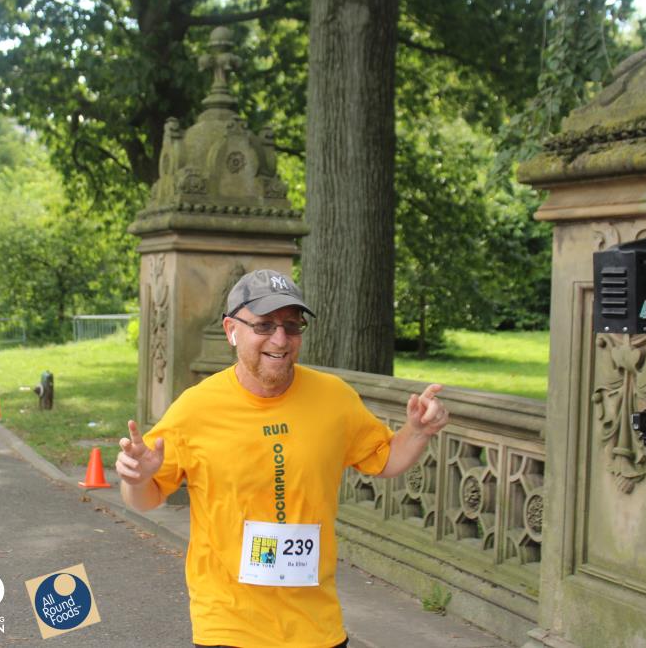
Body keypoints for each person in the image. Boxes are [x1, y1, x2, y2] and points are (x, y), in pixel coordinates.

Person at [117, 269, 449, 648]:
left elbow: (385, 459)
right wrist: (136, 479)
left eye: (292, 326)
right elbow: (144, 500)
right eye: (264, 325)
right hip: (228, 623)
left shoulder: (334, 398)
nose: (280, 339)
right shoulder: (196, 409)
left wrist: (418, 431)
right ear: (231, 330)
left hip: (316, 625)